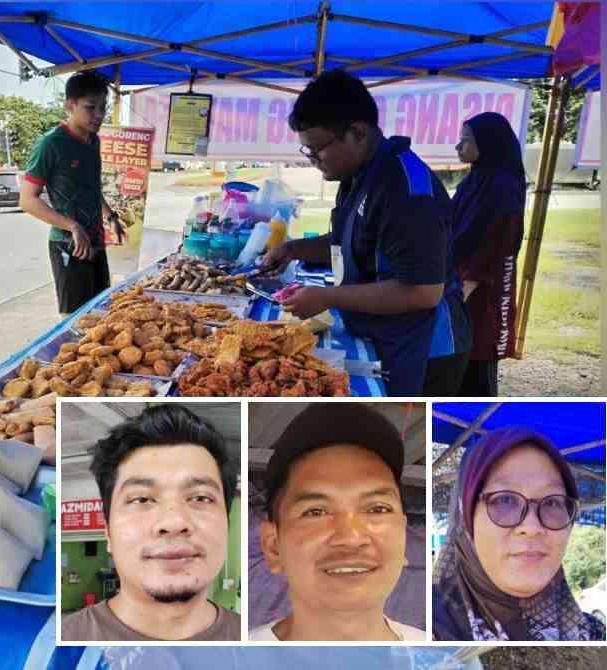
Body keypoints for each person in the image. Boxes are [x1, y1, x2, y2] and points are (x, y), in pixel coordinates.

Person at [262, 69, 471, 396]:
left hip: (423, 348)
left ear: (357, 133)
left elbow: (422, 291)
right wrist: (293, 249)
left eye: (317, 149)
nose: (313, 160)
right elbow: (349, 243)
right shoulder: (358, 175)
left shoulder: (406, 191)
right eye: (307, 151)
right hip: (378, 330)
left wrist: (327, 297)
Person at [61, 405, 241, 641]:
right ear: (108, 532)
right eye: (142, 499)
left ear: (227, 524)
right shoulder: (56, 646)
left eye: (200, 498)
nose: (174, 522)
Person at [251, 404, 426, 642]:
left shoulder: (445, 655)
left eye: (378, 509)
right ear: (273, 547)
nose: (351, 538)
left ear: (403, 537)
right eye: (315, 512)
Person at [432, 427, 605, 641]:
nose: (532, 527)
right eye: (505, 500)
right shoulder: (425, 634)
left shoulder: (593, 634)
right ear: (466, 518)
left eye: (552, 502)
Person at [20, 69, 121, 316]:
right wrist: (73, 226)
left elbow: (91, 187)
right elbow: (27, 200)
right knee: (74, 320)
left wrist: (111, 217)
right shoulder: (50, 144)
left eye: (103, 107)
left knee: (102, 313)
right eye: (90, 107)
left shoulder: (93, 140)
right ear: (70, 105)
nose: (99, 115)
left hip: (96, 240)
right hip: (68, 245)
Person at [451, 112, 526, 396]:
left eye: (466, 140)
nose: (459, 146)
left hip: (483, 290)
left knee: (477, 359)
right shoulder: (475, 179)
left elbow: (496, 246)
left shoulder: (503, 188)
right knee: (457, 358)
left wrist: (461, 293)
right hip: (458, 281)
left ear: (488, 143)